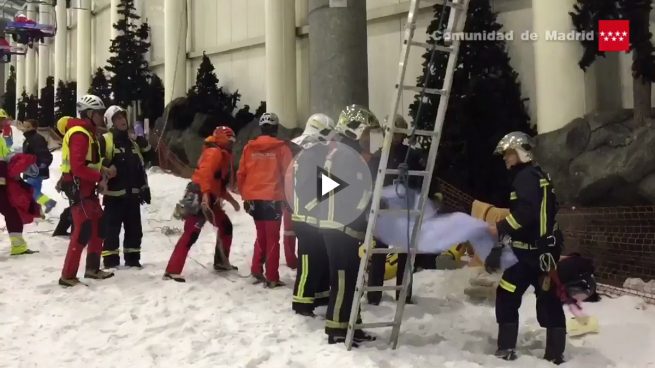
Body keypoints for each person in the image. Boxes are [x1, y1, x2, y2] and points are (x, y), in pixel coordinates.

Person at [485, 131, 566, 364]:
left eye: (508, 154)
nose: (505, 158)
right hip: (544, 253)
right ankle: (555, 354)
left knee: (507, 295)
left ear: (521, 152)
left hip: (528, 255)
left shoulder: (525, 177)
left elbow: (526, 214)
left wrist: (500, 227)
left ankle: (506, 348)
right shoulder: (540, 175)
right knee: (549, 300)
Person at [316, 104, 380, 346]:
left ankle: (352, 323)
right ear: (354, 130)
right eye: (365, 133)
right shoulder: (346, 156)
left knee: (352, 280)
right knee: (343, 279)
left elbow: (325, 189)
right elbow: (341, 192)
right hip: (340, 230)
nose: (367, 139)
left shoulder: (340, 152)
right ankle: (336, 329)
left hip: (339, 227)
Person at [164, 126, 240, 282]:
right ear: (222, 139)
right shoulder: (214, 153)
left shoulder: (222, 154)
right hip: (200, 196)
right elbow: (206, 176)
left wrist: (232, 201)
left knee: (225, 226)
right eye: (229, 141)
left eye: (233, 141)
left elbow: (216, 183)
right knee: (191, 232)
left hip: (209, 196)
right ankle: (172, 270)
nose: (232, 144)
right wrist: (205, 197)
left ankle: (221, 262)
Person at [58, 95, 117, 287]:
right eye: (99, 114)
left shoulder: (88, 133)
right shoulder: (80, 134)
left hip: (87, 188)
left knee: (99, 226)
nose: (102, 117)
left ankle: (92, 268)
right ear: (90, 114)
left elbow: (89, 163)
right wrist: (99, 177)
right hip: (78, 188)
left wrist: (102, 171)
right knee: (82, 230)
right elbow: (78, 167)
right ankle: (68, 275)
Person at [237, 113, 293, 288]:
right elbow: (289, 175)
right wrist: (290, 198)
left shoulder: (248, 148)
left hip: (254, 199)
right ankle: (272, 277)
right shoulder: (282, 148)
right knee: (272, 238)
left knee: (261, 235)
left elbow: (241, 174)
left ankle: (256, 267)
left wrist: (245, 197)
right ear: (276, 128)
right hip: (273, 198)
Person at [289, 113, 336, 317]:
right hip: (306, 218)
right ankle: (302, 302)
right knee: (308, 261)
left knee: (321, 258)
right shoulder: (309, 156)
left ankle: (320, 295)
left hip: (315, 217)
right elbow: (308, 189)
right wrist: (336, 187)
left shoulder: (313, 154)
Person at [98, 106, 153, 269]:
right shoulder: (105, 140)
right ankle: (110, 260)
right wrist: (107, 169)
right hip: (113, 197)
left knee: (135, 230)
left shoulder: (133, 142)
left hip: (132, 196)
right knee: (111, 231)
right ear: (110, 122)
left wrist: (144, 187)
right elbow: (96, 163)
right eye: (117, 118)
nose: (122, 120)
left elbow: (146, 162)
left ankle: (133, 259)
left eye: (123, 117)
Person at [21, 119, 57, 214]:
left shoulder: (36, 138)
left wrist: (41, 166)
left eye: (28, 126)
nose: (25, 128)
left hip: (35, 171)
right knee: (33, 192)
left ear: (34, 128)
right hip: (31, 170)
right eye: (24, 126)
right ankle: (37, 212)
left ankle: (48, 203)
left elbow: (45, 154)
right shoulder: (29, 139)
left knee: (32, 192)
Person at [52, 116, 74, 237]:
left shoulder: (68, 137)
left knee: (74, 206)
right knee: (76, 208)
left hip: (68, 179)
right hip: (72, 179)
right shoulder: (73, 137)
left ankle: (62, 230)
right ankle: (75, 232)